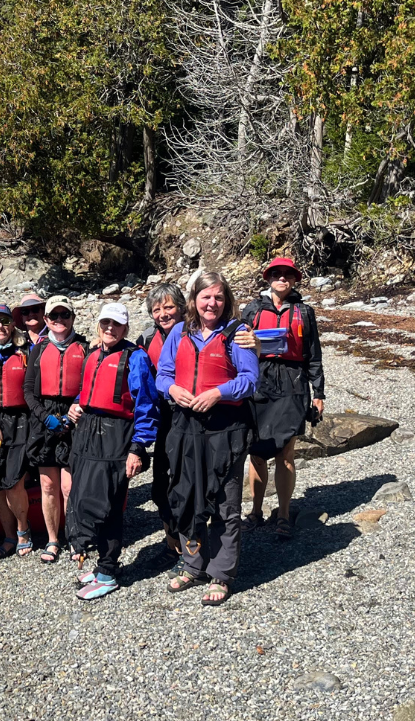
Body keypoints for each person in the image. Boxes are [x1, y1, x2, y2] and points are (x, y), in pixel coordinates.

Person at [154, 269, 258, 606]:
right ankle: (193, 563)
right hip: (185, 428)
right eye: (205, 297)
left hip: (225, 429)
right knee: (185, 497)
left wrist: (218, 393)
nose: (211, 303)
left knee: (225, 503)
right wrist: (172, 388)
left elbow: (250, 380)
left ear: (226, 300)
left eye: (218, 297)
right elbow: (163, 374)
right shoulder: (180, 333)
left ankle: (221, 574)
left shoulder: (237, 333)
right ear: (194, 301)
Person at [66, 303, 159, 600]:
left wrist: (137, 448)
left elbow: (146, 405)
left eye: (116, 324)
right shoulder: (93, 354)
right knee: (83, 499)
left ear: (126, 329)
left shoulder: (136, 359)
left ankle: (107, 572)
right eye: (105, 323)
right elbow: (88, 390)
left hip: (117, 437)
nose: (110, 329)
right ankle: (100, 564)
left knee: (109, 504)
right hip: (88, 433)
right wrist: (76, 404)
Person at [235, 256, 326, 539]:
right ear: (268, 278)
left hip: (292, 382)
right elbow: (237, 348)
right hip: (259, 382)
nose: (282, 278)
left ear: (295, 279)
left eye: (288, 274)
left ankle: (284, 514)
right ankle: (255, 511)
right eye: (276, 274)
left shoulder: (304, 312)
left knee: (286, 452)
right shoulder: (252, 310)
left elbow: (313, 355)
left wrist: (318, 393)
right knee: (256, 453)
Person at [24, 295, 88, 563]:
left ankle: (74, 537)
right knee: (48, 486)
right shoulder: (37, 350)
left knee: (69, 486)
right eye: (54, 316)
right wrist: (44, 417)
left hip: (74, 418)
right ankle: (52, 540)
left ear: (72, 318)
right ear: (46, 320)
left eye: (65, 315)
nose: (59, 320)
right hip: (44, 421)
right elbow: (28, 390)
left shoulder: (86, 347)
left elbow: (91, 384)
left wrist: (75, 409)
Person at [0, 303, 35, 557]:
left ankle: (24, 530)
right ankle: (8, 535)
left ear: (13, 324)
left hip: (20, 419)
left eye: (5, 321)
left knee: (14, 482)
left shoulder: (26, 352)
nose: (0, 326)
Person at [139, 282, 186, 563]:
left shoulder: (196, 332)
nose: (163, 314)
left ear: (181, 307)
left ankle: (192, 541)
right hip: (164, 417)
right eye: (157, 310)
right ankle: (172, 538)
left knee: (187, 481)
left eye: (169, 307)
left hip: (193, 415)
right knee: (160, 485)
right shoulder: (146, 339)